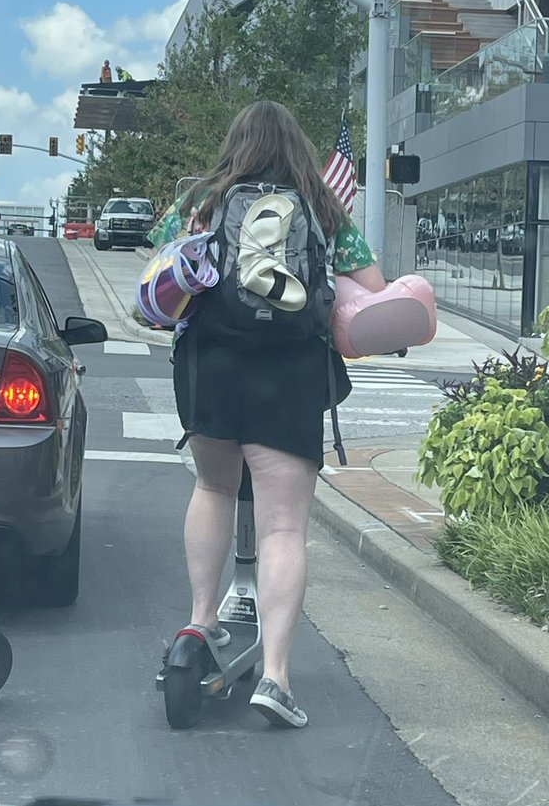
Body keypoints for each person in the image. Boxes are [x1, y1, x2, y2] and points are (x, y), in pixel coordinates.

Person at [164, 101, 386, 730]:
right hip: (289, 371)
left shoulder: (206, 200)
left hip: (212, 366)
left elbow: (163, 278)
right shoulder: (323, 208)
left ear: (236, 143)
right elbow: (373, 291)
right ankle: (276, 677)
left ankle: (200, 624)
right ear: (298, 148)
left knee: (212, 487)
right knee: (284, 527)